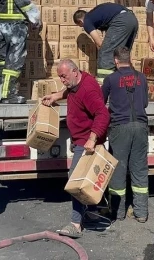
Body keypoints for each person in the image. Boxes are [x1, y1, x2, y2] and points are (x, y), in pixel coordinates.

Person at [41, 59, 109, 238]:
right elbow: (70, 90)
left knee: (76, 180)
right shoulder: (76, 83)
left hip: (86, 141)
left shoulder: (88, 90)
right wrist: (56, 96)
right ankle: (92, 214)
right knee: (86, 179)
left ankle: (75, 224)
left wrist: (92, 139)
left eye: (63, 76)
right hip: (81, 138)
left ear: (74, 71)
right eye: (60, 77)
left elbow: (102, 114)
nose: (62, 80)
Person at [101, 47, 149, 222]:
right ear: (130, 59)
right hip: (140, 127)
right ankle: (141, 213)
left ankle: (118, 212)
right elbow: (144, 102)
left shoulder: (110, 79)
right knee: (139, 169)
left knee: (119, 170)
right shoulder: (141, 77)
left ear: (115, 60)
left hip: (120, 128)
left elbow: (101, 104)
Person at [73, 3, 138, 79]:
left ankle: (104, 84)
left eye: (80, 26)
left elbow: (99, 43)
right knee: (122, 55)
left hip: (121, 21)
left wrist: (101, 54)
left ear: (80, 21)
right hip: (132, 19)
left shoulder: (86, 21)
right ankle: (131, 82)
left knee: (105, 54)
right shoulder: (95, 15)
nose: (82, 27)